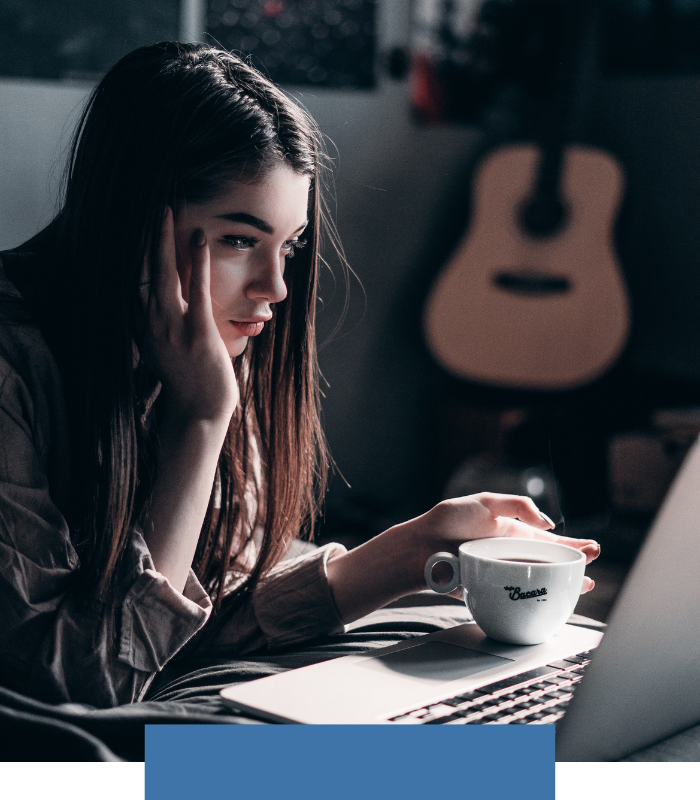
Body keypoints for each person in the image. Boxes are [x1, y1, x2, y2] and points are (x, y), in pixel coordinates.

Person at [0, 42, 598, 709]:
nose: (276, 287)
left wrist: (413, 550)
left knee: (526, 725)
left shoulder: (205, 347)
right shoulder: (19, 370)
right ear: (131, 216)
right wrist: (200, 421)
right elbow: (85, 689)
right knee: (428, 769)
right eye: (238, 239)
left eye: (289, 246)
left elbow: (190, 619)